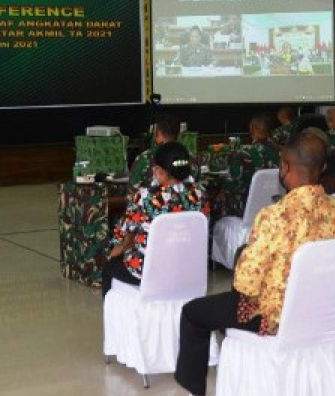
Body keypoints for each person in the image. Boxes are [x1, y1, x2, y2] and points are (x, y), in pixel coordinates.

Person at [166, 132, 335, 396]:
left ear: (285, 168)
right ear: (322, 169)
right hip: (327, 315)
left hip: (276, 317)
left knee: (193, 313)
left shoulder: (274, 216)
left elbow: (246, 285)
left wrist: (243, 259)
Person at [102, 142, 208, 298]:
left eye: (155, 169)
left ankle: (112, 319)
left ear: (162, 172)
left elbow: (123, 231)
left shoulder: (146, 197)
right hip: (189, 269)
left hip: (152, 270)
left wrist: (117, 248)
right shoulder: (200, 194)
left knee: (109, 267)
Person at [215, 113, 281, 218]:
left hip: (246, 209)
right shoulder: (283, 153)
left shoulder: (244, 154)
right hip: (274, 206)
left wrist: (219, 184)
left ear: (252, 129)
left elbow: (233, 183)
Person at [129, 115, 180, 189]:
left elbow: (131, 190)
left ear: (158, 133)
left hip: (152, 200)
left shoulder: (145, 158)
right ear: (178, 134)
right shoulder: (190, 159)